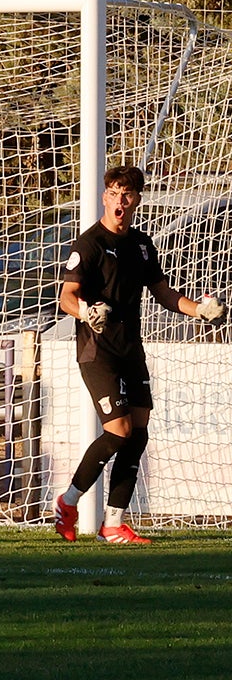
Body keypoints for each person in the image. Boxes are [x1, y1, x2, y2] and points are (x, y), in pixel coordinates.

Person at [53, 163, 225, 543]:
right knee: (119, 431)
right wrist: (85, 311)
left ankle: (113, 524)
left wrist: (200, 309)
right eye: (113, 192)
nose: (119, 200)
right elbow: (66, 296)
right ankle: (68, 502)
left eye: (126, 194)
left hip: (132, 350)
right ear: (104, 196)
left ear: (137, 200)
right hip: (97, 351)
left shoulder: (142, 245)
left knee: (139, 433)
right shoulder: (90, 244)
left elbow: (163, 294)